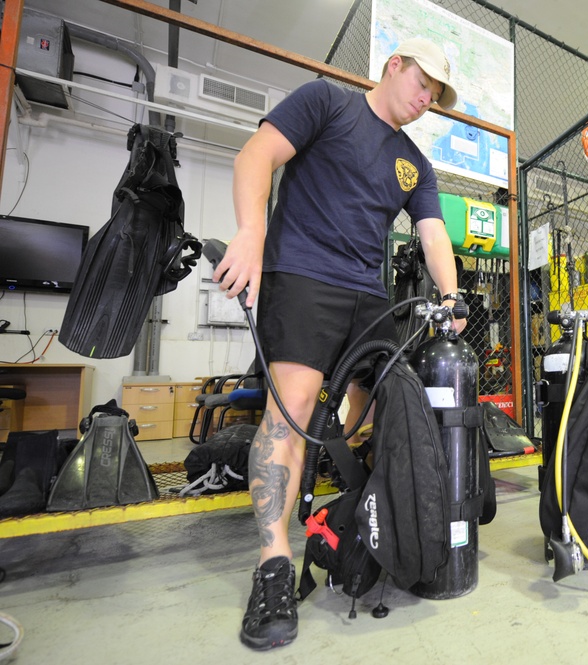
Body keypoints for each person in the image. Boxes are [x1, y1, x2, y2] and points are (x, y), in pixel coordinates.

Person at [213, 37, 466, 651]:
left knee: (386, 413)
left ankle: (357, 521)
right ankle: (273, 565)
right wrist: (251, 232)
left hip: (367, 294)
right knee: (291, 409)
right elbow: (256, 155)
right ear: (393, 66)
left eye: (436, 94)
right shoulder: (327, 103)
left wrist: (453, 294)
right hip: (302, 275)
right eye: (422, 82)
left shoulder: (415, 164)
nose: (426, 98)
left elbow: (432, 235)